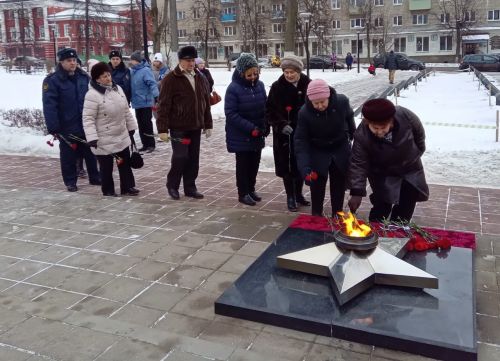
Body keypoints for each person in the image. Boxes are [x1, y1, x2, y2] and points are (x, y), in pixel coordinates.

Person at [348, 98, 429, 222]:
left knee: (405, 206)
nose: (379, 132)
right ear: (367, 122)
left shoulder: (405, 116)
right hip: (381, 173)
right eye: (375, 128)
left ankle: (398, 232)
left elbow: (419, 136)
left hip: (409, 170)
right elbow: (359, 164)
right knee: (381, 207)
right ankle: (376, 233)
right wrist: (357, 192)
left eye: (383, 127)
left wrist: (414, 154)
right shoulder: (361, 135)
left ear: (391, 122)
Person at [156, 45, 213, 200]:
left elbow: (205, 103)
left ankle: (190, 187)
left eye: (193, 60)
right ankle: (172, 185)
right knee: (181, 156)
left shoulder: (200, 77)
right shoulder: (171, 79)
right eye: (187, 60)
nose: (191, 63)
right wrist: (162, 129)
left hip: (195, 126)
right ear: (180, 60)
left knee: (193, 159)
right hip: (178, 127)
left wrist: (208, 124)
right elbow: (163, 105)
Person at [42, 48, 101, 192]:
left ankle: (95, 176)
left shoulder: (83, 76)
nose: (73, 63)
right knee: (68, 156)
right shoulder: (53, 80)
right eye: (69, 61)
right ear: (61, 62)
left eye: (74, 60)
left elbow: (93, 97)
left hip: (84, 122)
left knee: (90, 151)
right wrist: (54, 127)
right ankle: (70, 181)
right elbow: (49, 105)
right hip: (66, 124)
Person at [295, 79, 355, 216]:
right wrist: (305, 169)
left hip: (339, 148)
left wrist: (352, 134)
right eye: (316, 103)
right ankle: (316, 216)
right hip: (318, 150)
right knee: (317, 186)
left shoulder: (342, 102)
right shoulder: (304, 113)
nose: (320, 105)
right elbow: (301, 141)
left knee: (338, 185)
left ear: (328, 96)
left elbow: (350, 118)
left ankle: (337, 214)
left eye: (323, 101)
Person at [83, 62, 139, 197]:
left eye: (108, 75)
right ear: (97, 79)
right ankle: (108, 190)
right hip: (103, 137)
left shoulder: (117, 89)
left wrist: (131, 127)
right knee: (106, 167)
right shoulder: (92, 95)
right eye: (103, 76)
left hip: (121, 134)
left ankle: (127, 187)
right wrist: (91, 137)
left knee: (124, 163)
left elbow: (126, 110)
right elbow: (88, 118)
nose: (108, 78)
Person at [266, 55, 311, 212]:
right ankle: (290, 196)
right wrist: (281, 124)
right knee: (287, 167)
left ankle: (298, 194)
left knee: (300, 165)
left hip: (303, 133)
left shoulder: (308, 85)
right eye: (286, 72)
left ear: (298, 71)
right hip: (284, 135)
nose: (289, 75)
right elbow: (270, 110)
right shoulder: (277, 87)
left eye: (292, 72)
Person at [225, 53, 268, 206]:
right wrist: (251, 128)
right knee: (243, 165)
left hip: (257, 133)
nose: (253, 77)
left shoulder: (260, 85)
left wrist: (265, 125)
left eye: (255, 73)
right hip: (241, 135)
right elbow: (231, 114)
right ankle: (243, 192)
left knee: (254, 163)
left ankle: (251, 188)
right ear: (242, 73)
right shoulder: (233, 89)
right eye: (249, 74)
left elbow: (265, 107)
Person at [130, 50, 159, 153]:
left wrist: (156, 96)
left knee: (147, 124)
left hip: (146, 101)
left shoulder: (145, 70)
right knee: (141, 124)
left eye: (133, 60)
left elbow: (152, 83)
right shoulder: (132, 71)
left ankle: (151, 144)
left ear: (138, 61)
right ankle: (144, 144)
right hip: (137, 102)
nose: (131, 62)